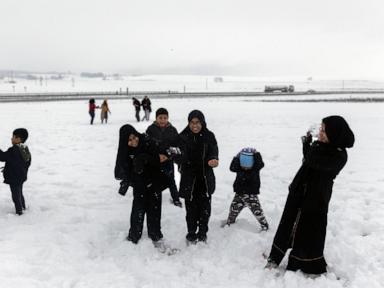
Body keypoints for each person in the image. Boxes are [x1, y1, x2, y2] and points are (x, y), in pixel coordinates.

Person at [265, 116, 355, 275]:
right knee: (287, 224)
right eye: (320, 128)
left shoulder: (339, 155)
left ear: (334, 133)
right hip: (299, 192)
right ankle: (275, 256)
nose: (320, 133)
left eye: (324, 130)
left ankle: (304, 263)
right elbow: (309, 159)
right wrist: (307, 144)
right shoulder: (321, 146)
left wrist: (311, 146)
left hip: (316, 199)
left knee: (307, 231)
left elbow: (314, 161)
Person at [114, 124, 167, 244]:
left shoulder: (147, 142)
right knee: (138, 210)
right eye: (129, 140)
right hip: (139, 185)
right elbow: (122, 170)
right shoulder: (126, 151)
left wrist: (144, 158)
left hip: (154, 183)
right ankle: (134, 235)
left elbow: (160, 158)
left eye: (134, 137)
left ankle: (155, 234)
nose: (134, 141)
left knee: (154, 210)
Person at [177, 110, 219, 243]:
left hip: (205, 179)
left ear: (202, 123)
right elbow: (176, 155)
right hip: (189, 180)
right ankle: (191, 232)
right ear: (188, 123)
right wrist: (178, 159)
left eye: (198, 122)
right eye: (192, 122)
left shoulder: (209, 136)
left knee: (205, 209)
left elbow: (214, 151)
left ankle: (202, 232)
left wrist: (213, 159)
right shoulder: (183, 136)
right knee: (190, 210)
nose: (195, 125)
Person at [222, 147, 269, 230]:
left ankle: (264, 225)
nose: (245, 168)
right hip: (239, 193)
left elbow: (260, 163)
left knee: (257, 211)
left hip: (251, 195)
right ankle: (230, 222)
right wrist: (237, 157)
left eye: (247, 166)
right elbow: (232, 168)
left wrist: (256, 154)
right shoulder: (239, 169)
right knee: (233, 209)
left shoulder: (255, 169)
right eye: (243, 165)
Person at [146, 108, 182, 207]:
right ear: (156, 118)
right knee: (154, 181)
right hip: (155, 161)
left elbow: (177, 148)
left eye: (165, 118)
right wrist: (157, 156)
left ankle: (176, 198)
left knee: (171, 180)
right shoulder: (151, 129)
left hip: (168, 161)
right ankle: (153, 198)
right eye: (160, 118)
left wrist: (168, 156)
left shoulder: (172, 130)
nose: (162, 120)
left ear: (168, 118)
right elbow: (147, 145)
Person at [0, 128, 32, 215]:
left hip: (14, 178)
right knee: (20, 193)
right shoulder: (25, 148)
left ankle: (19, 211)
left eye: (13, 137)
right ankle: (23, 207)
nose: (11, 139)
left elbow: (2, 157)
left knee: (16, 195)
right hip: (21, 176)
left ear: (18, 139)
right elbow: (27, 162)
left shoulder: (13, 150)